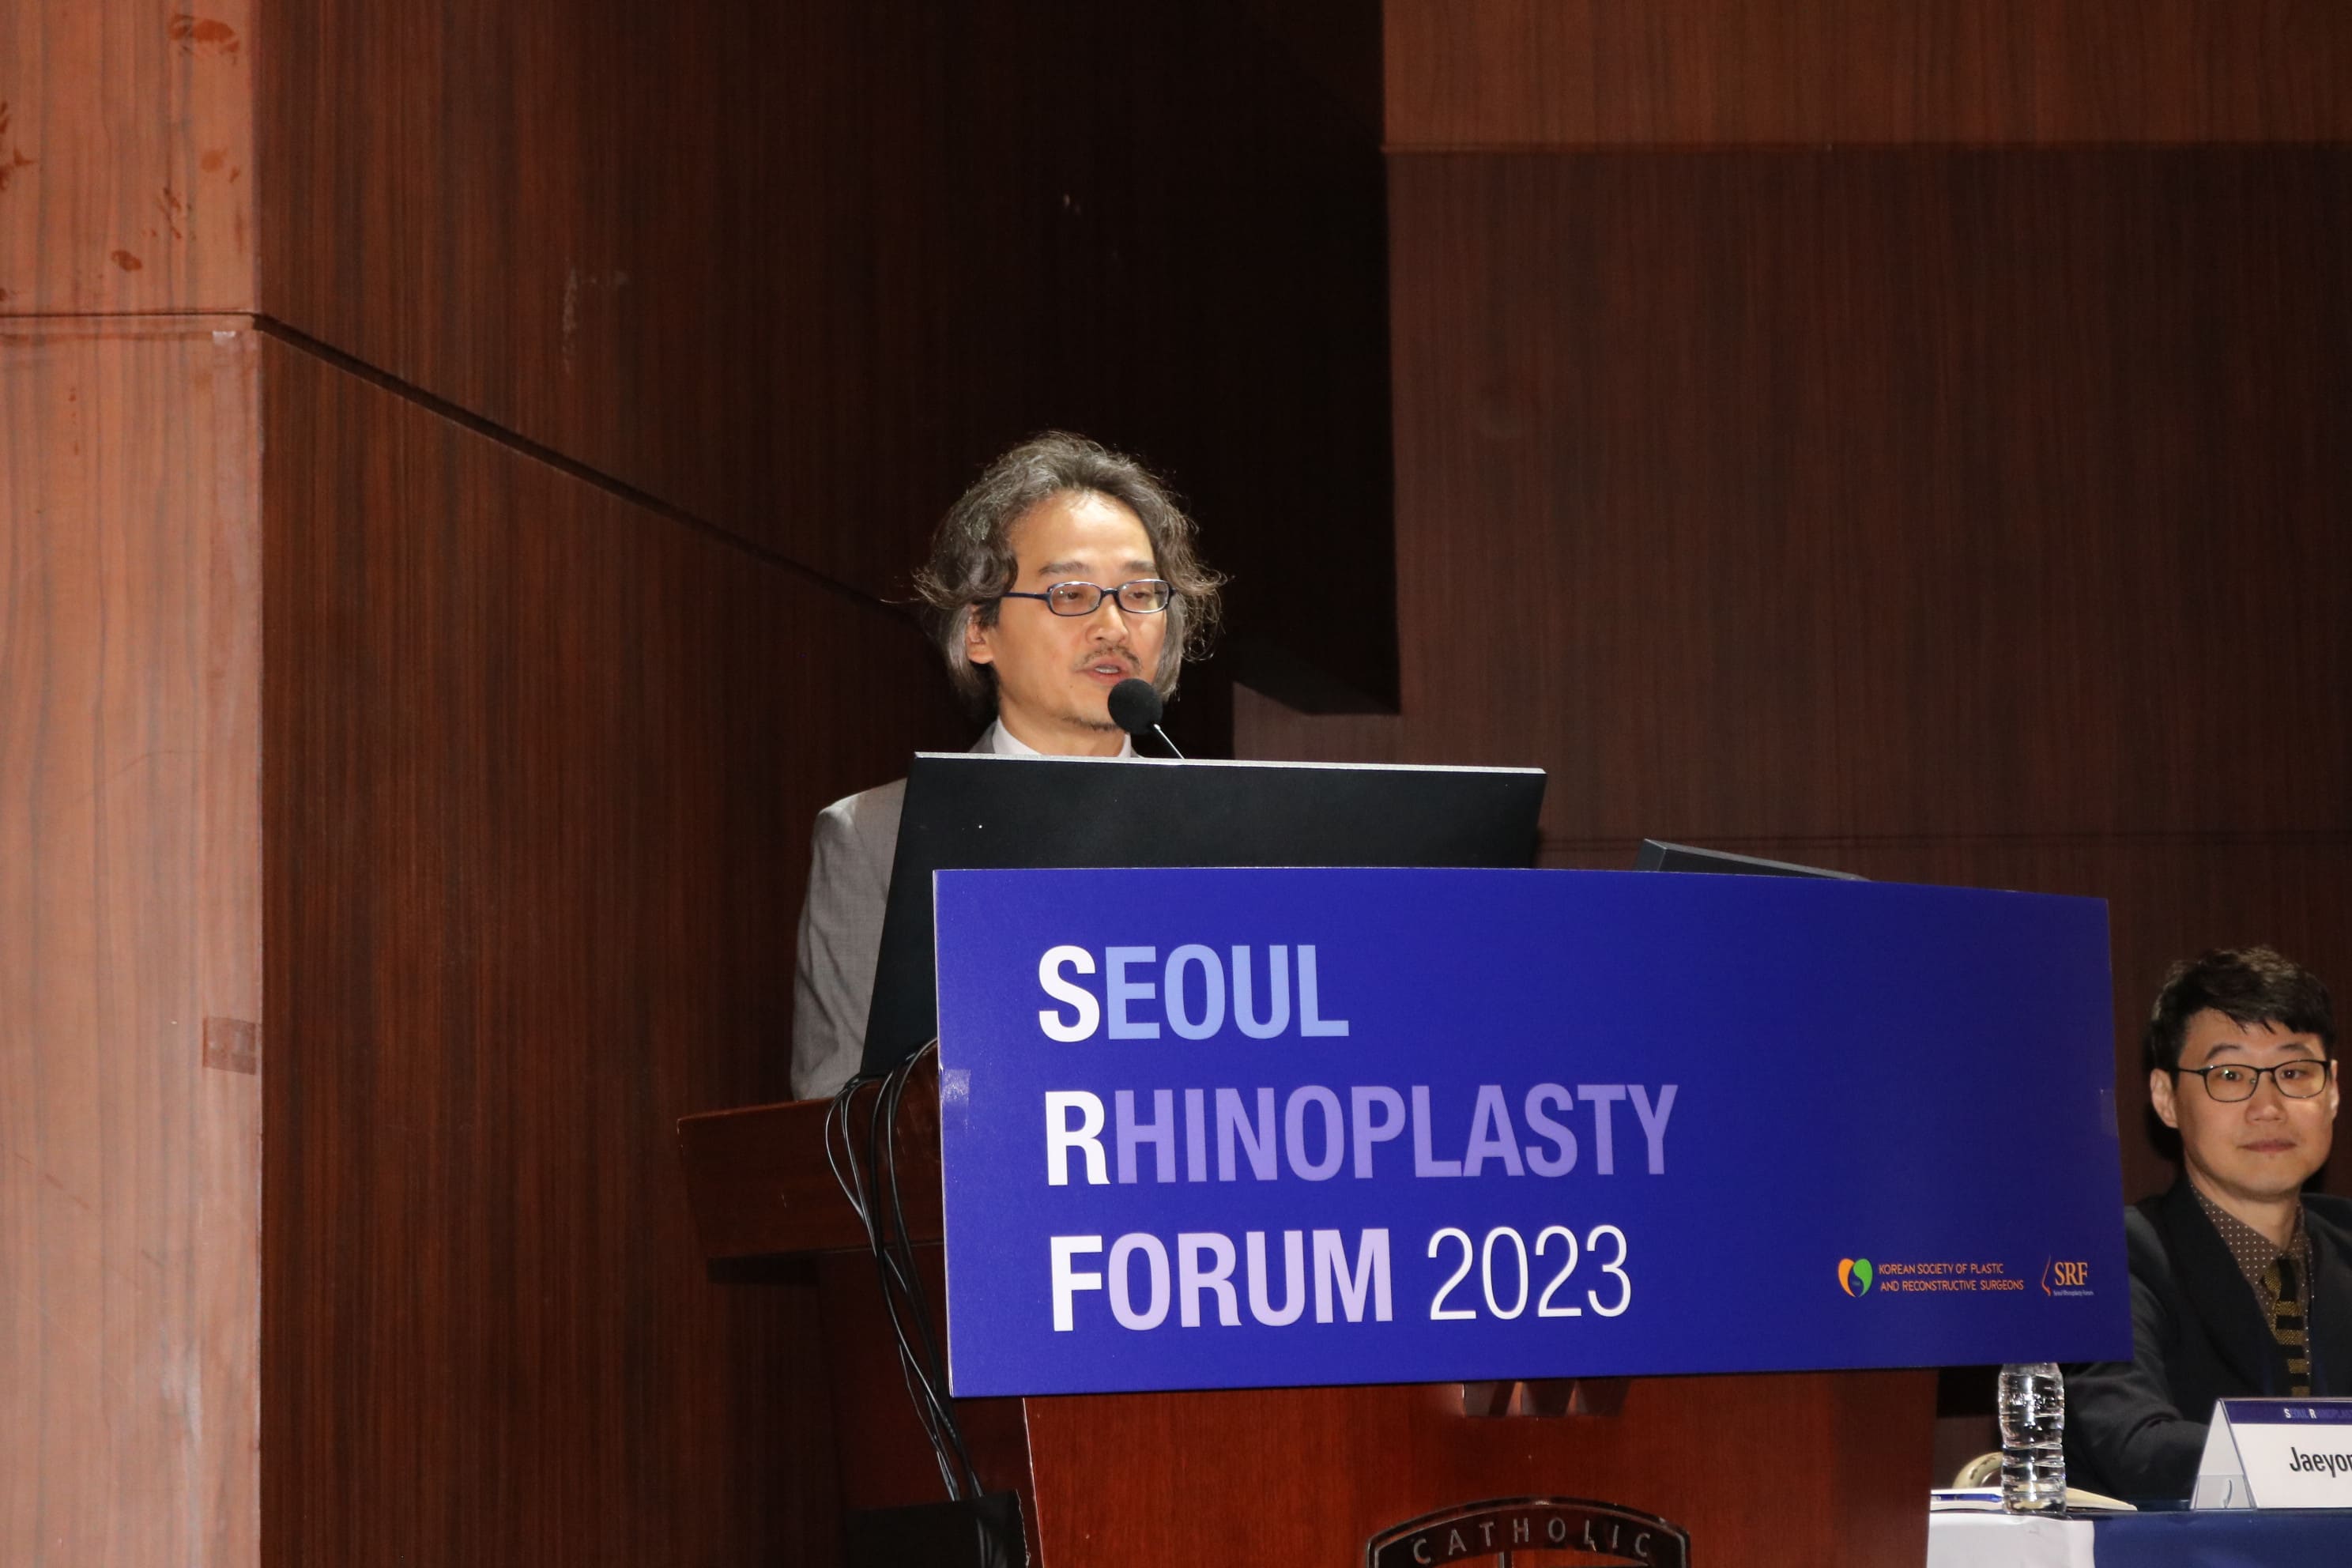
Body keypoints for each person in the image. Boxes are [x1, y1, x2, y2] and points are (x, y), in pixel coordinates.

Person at [789, 432, 1224, 1100]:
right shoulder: (876, 837)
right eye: (1070, 594)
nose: (1114, 627)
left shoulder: (1229, 832)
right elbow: (839, 1121)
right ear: (979, 631)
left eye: (1140, 594)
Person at [2064, 946, 2350, 1500]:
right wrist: (2315, 1462)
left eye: (2294, 1073)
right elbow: (2138, 1447)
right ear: (2166, 1098)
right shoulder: (2111, 1258)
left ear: (2333, 1090)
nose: (2267, 1107)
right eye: (2230, 1075)